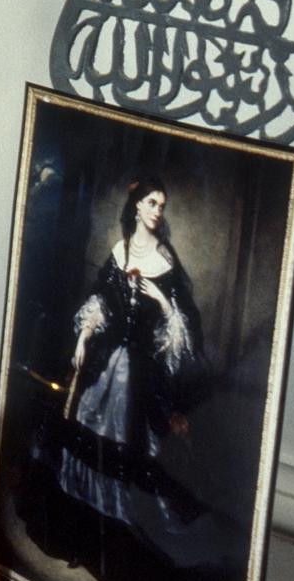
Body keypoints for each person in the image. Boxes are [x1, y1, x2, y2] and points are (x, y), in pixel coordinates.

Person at [58, 177, 206, 533]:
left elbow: (184, 326)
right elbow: (101, 302)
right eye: (152, 203)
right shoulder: (120, 250)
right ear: (137, 206)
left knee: (126, 438)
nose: (157, 211)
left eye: (162, 205)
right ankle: (81, 508)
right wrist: (84, 337)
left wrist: (159, 299)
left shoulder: (165, 258)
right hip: (105, 359)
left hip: (140, 369)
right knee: (85, 420)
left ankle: (116, 517)